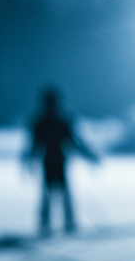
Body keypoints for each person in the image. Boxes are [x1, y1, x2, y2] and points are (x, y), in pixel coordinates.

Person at [24, 87, 99, 236]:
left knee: (51, 194)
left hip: (52, 160)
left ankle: (51, 224)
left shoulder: (43, 121)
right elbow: (74, 141)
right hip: (57, 160)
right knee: (57, 194)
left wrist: (28, 161)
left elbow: (34, 145)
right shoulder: (60, 120)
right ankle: (65, 224)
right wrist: (88, 155)